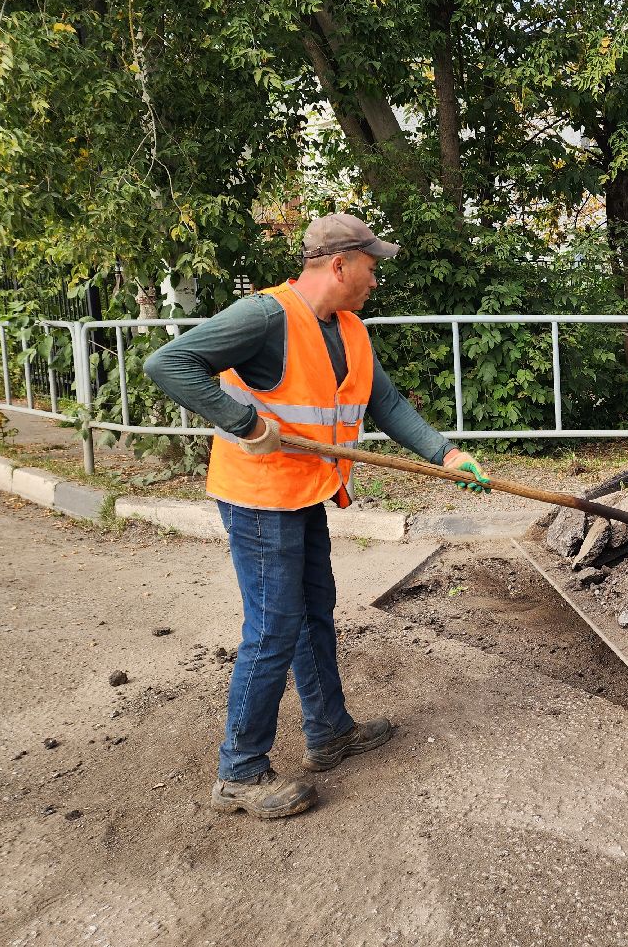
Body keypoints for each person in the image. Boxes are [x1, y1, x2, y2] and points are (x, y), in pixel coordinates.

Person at [144, 212, 489, 819]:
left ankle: (328, 731)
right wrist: (244, 423)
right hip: (258, 495)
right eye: (371, 266)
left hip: (307, 491)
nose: (375, 279)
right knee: (274, 626)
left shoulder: (350, 329)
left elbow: (385, 402)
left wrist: (446, 452)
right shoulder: (265, 316)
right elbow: (167, 364)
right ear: (339, 264)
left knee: (313, 612)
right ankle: (240, 770)